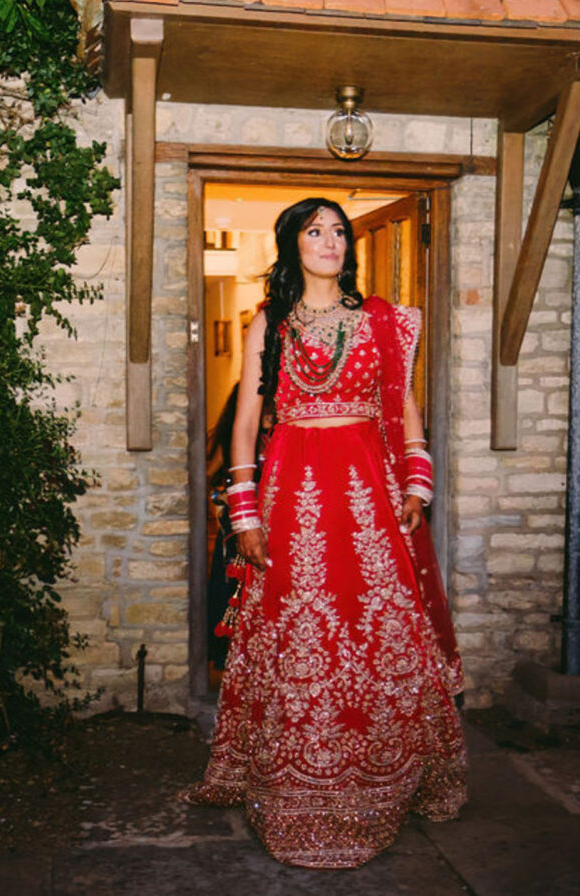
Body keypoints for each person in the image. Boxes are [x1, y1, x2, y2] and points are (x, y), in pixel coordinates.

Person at [181, 197, 466, 869]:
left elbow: (405, 411)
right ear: (292, 245)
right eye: (315, 231)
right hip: (293, 501)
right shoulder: (270, 325)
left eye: (339, 231)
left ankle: (381, 782)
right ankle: (293, 787)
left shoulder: (383, 323)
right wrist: (244, 512)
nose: (330, 241)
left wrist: (418, 487)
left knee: (377, 636)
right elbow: (245, 427)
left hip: (369, 498)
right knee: (301, 638)